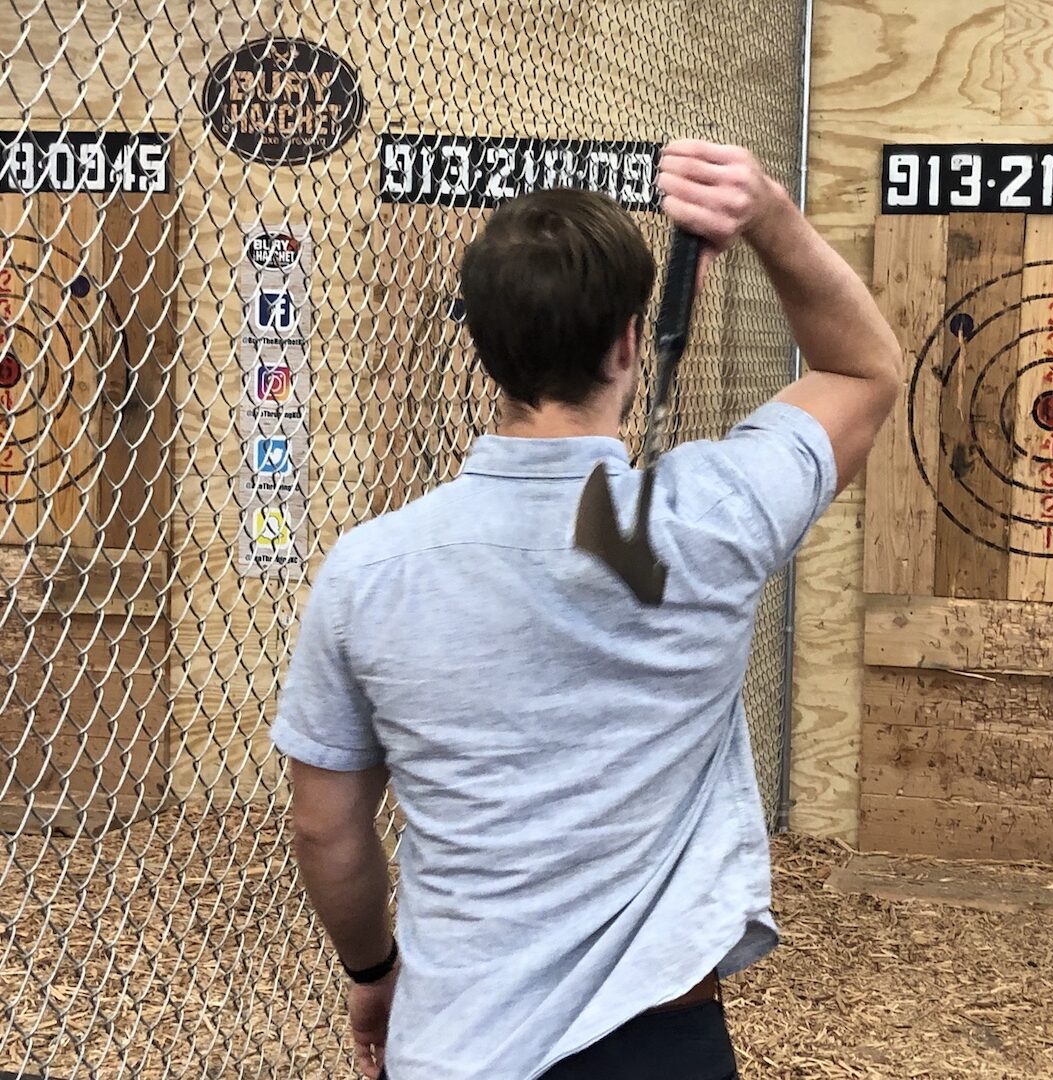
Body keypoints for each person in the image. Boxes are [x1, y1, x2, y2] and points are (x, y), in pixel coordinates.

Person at [270, 138, 902, 1080]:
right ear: (627, 342)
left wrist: (372, 971)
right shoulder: (711, 516)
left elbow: (327, 827)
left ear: (484, 346)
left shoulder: (369, 569)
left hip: (455, 1044)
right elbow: (864, 370)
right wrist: (766, 213)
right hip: (662, 1038)